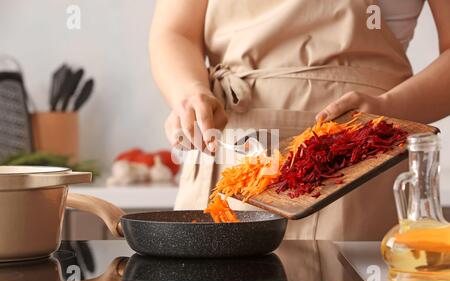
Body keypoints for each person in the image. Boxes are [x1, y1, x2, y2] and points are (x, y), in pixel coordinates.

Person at [150, 0, 450, 240]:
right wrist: (189, 91)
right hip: (226, 151)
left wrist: (388, 109)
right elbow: (175, 31)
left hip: (360, 162)